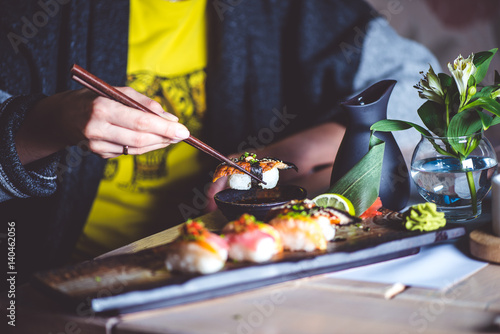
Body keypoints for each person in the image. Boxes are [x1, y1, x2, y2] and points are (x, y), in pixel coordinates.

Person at [0, 0, 439, 281]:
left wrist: (315, 143)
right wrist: (45, 123)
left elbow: (428, 88)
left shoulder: (297, 9)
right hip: (58, 280)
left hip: (239, 272)